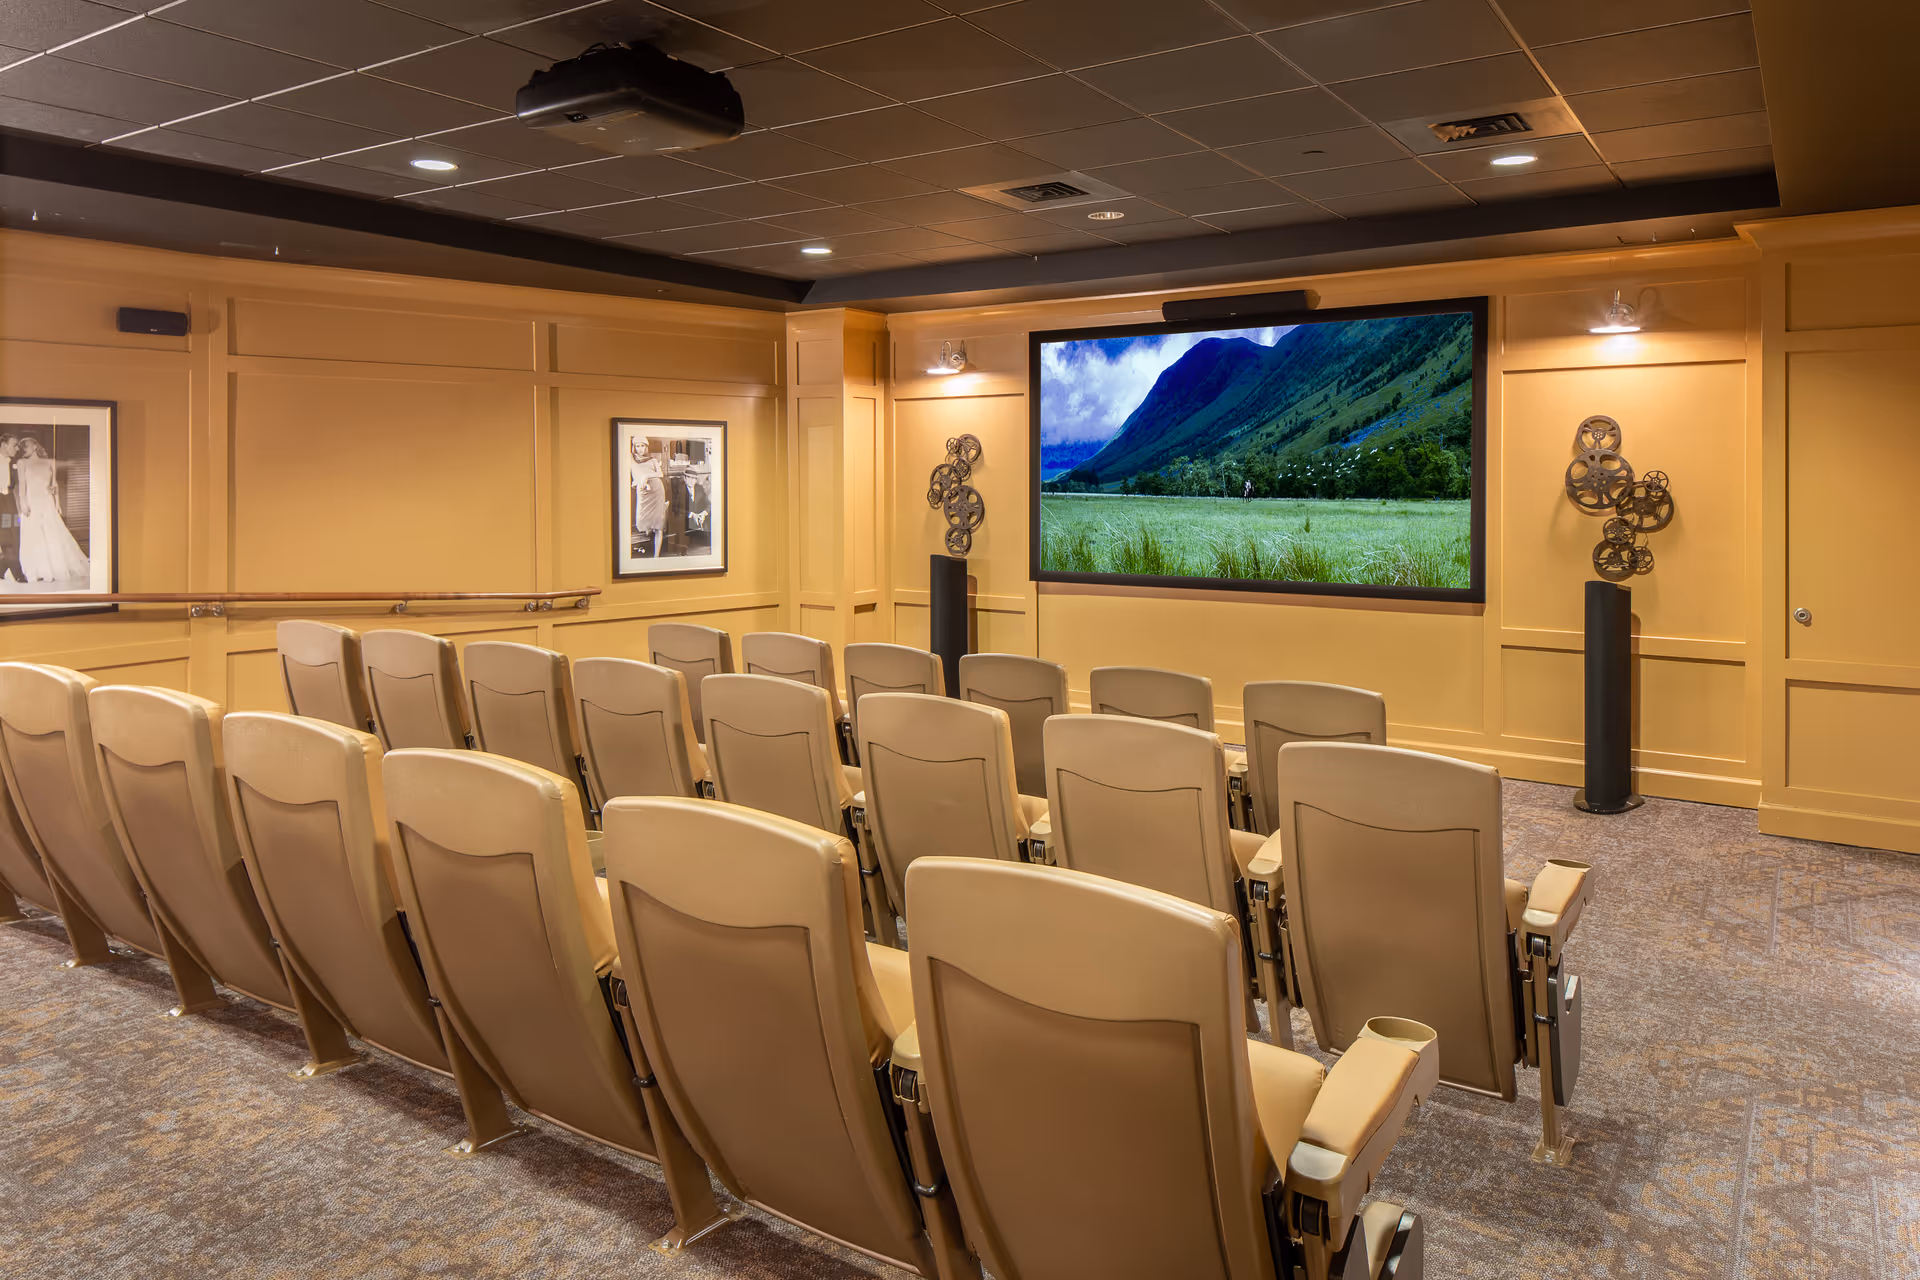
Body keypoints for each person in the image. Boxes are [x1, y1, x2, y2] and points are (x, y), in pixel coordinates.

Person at [14, 437, 89, 584]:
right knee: (34, 536)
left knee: (52, 533)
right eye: (21, 447)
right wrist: (23, 503)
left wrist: (57, 503)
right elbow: (22, 485)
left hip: (46, 501)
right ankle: (38, 570)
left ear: (35, 446)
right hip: (32, 502)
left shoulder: (50, 462)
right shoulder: (21, 463)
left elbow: (54, 485)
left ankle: (55, 568)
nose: (23, 448)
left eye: (26, 445)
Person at [627, 437, 665, 559]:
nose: (640, 449)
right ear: (634, 447)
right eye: (637, 446)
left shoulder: (652, 460)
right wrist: (638, 480)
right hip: (644, 492)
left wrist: (646, 476)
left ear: (646, 447)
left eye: (642, 446)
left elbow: (660, 474)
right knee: (642, 522)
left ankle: (656, 557)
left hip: (657, 491)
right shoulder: (631, 459)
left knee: (658, 526)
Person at [0, 436, 22, 584]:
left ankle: (2, 569)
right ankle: (17, 572)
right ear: (4, 445)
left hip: (9, 502)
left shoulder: (13, 463)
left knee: (14, 532)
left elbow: (15, 487)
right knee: (6, 535)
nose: (17, 449)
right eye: (14, 445)